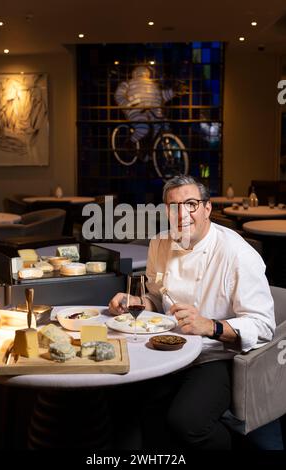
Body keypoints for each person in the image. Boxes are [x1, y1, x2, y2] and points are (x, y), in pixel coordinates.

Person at [109, 175, 275, 450]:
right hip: (166, 346)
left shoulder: (237, 254)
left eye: (191, 204)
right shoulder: (159, 244)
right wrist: (134, 302)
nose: (182, 214)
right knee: (133, 403)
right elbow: (154, 297)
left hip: (214, 355)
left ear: (207, 208)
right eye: (174, 206)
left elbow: (263, 325)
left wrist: (210, 326)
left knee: (186, 422)